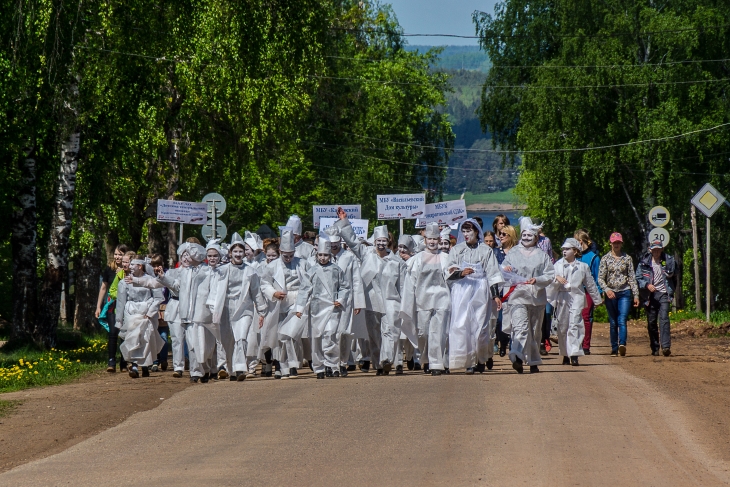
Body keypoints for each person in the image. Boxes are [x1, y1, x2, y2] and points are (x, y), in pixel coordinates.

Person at [332, 209, 407, 376]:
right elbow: (352, 242)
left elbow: (402, 285)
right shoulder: (366, 254)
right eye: (378, 240)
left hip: (390, 300)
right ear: (374, 242)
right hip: (371, 300)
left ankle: (386, 360)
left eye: (383, 241)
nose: (381, 244)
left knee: (389, 330)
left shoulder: (397, 261)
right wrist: (345, 221)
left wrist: (404, 304)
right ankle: (378, 363)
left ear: (388, 242)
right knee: (373, 333)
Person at [446, 220, 503, 373]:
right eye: (463, 232)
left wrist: (495, 295)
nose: (466, 235)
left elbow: (493, 273)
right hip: (462, 289)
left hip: (480, 289)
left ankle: (480, 359)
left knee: (480, 326)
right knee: (461, 325)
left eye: (469, 231)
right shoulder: (457, 250)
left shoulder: (485, 250)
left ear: (476, 232)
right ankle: (467, 360)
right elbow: (448, 270)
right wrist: (460, 273)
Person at [209, 232, 268, 381]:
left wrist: (262, 311)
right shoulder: (221, 271)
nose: (238, 254)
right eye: (235, 251)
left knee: (241, 338)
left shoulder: (250, 271)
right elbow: (214, 291)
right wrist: (213, 308)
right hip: (225, 308)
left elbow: (256, 291)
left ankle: (240, 368)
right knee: (227, 340)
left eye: (241, 251)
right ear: (230, 253)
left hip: (244, 308)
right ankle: (230, 369)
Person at [502, 217, 555, 374]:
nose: (526, 238)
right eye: (524, 234)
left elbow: (550, 274)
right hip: (517, 296)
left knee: (534, 331)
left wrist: (537, 280)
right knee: (521, 327)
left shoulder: (542, 255)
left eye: (529, 235)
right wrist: (506, 269)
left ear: (536, 237)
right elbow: (503, 267)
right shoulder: (513, 253)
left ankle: (533, 361)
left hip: (536, 298)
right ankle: (517, 355)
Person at [400, 223, 452, 376]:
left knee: (438, 332)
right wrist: (408, 303)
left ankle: (437, 363)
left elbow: (451, 277)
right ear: (425, 239)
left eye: (435, 239)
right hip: (422, 301)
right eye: (429, 238)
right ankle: (426, 359)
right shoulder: (416, 259)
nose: (432, 242)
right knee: (423, 333)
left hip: (442, 300)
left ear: (439, 239)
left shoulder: (446, 258)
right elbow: (410, 283)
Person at [259, 227, 311, 379]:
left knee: (290, 334)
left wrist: (303, 301)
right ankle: (283, 365)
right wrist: (273, 293)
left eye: (291, 255)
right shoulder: (272, 266)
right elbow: (264, 284)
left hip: (298, 300)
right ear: (280, 252)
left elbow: (308, 283)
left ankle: (292, 365)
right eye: (285, 256)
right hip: (280, 302)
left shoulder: (302, 263)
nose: (288, 258)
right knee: (281, 336)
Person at [295, 236, 350, 379]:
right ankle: (319, 367)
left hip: (332, 308)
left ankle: (332, 365)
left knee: (330, 335)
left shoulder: (336, 270)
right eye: (320, 255)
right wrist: (300, 308)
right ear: (316, 255)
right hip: (316, 309)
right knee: (317, 338)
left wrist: (340, 299)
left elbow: (344, 287)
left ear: (330, 255)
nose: (323, 258)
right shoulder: (312, 271)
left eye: (326, 255)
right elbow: (304, 289)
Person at [548, 239, 602, 366]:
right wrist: (556, 279)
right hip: (562, 297)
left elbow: (590, 284)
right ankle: (565, 353)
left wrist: (597, 299)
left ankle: (574, 353)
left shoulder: (583, 267)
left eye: (567, 249)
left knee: (575, 324)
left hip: (577, 296)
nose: (564, 251)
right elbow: (550, 284)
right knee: (563, 327)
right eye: (563, 249)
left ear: (575, 251)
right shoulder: (557, 266)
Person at [117, 256, 166, 378]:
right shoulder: (125, 281)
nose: (130, 267)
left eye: (133, 264)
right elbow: (121, 301)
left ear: (140, 266)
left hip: (146, 312)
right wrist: (119, 320)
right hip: (132, 311)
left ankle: (145, 365)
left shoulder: (150, 280)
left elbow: (159, 297)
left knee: (145, 338)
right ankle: (134, 365)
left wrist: (150, 312)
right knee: (132, 338)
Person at [598, 232, 639, 357]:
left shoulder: (627, 259)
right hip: (611, 293)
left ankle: (622, 344)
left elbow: (632, 277)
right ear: (610, 243)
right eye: (614, 242)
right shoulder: (605, 259)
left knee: (622, 319)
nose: (616, 245)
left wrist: (636, 295)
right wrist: (606, 290)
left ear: (621, 243)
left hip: (624, 292)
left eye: (618, 243)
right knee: (613, 322)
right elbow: (600, 278)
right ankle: (614, 348)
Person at [635, 240, 676, 357]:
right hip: (650, 296)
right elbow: (638, 277)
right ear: (650, 250)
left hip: (664, 293)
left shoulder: (668, 260)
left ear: (662, 249)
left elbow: (674, 274)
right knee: (651, 322)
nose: (656, 252)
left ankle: (666, 346)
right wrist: (647, 285)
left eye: (659, 249)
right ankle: (655, 346)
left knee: (664, 318)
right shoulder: (644, 263)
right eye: (654, 250)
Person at [97, 244, 129, 373]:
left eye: (120, 254)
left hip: (127, 305)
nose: (117, 257)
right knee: (113, 332)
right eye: (115, 254)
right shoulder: (109, 269)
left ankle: (124, 362)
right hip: (112, 304)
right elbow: (104, 287)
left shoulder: (129, 270)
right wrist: (98, 306)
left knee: (125, 334)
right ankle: (111, 361)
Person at [574, 229, 601, 355]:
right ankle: (575, 342)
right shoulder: (574, 257)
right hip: (575, 290)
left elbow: (597, 277)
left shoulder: (593, 257)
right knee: (574, 317)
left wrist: (598, 294)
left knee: (586, 317)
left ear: (580, 241)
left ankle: (586, 345)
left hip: (588, 292)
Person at [494, 225, 517, 356]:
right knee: (501, 319)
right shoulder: (496, 252)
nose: (501, 236)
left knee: (515, 318)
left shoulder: (518, 252)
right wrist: (502, 268)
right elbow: (492, 268)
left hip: (515, 289)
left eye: (504, 234)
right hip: (501, 289)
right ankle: (502, 343)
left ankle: (514, 346)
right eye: (500, 234)